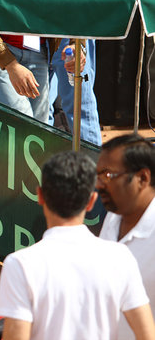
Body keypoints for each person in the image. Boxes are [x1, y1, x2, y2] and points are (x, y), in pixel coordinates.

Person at [0, 151, 155, 340]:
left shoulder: (20, 264)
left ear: (40, 196)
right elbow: (147, 334)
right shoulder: (121, 257)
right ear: (91, 201)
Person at [97, 134, 155, 339]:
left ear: (142, 178)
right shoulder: (113, 217)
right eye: (98, 175)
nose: (99, 184)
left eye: (108, 175)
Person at [48, 38, 102, 145]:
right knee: (39, 107)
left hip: (70, 32)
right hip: (39, 34)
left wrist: (78, 41)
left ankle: (90, 158)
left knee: (78, 105)